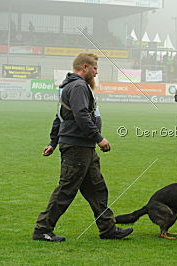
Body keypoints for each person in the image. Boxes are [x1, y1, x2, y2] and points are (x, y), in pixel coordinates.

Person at [32, 53, 133, 242]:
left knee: (97, 189)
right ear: (84, 67)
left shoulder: (69, 86)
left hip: (83, 147)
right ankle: (42, 230)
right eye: (95, 68)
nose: (96, 72)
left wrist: (53, 142)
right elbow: (80, 115)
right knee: (66, 191)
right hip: (78, 147)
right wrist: (99, 138)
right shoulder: (78, 86)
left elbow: (60, 117)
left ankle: (108, 229)